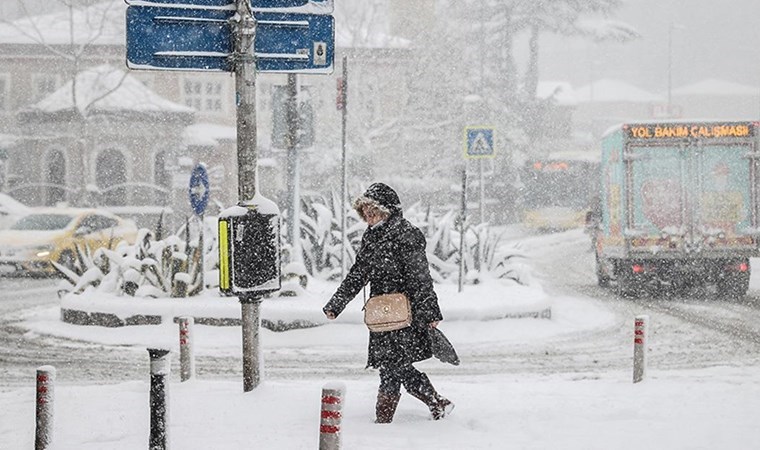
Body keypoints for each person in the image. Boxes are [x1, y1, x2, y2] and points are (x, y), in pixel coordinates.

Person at [323, 183, 453, 423]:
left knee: (393, 366)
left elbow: (420, 277)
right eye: (365, 212)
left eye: (373, 211)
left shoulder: (406, 234)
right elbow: (359, 273)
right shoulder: (371, 236)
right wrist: (336, 304)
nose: (368, 216)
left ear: (387, 210)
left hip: (406, 313)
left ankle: (385, 420)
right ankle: (435, 403)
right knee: (393, 365)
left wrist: (430, 312)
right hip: (382, 313)